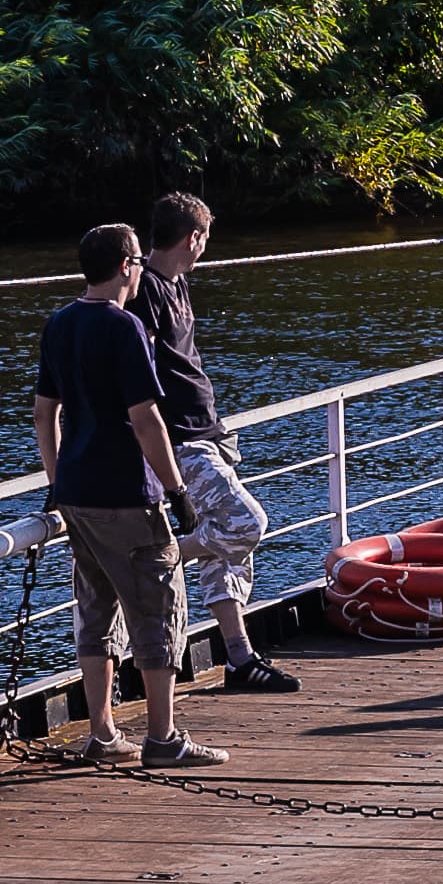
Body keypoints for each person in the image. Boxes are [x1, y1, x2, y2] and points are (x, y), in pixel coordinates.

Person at [33, 222, 229, 769]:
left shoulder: (60, 322)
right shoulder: (125, 328)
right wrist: (178, 491)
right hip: (126, 494)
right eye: (139, 261)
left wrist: (57, 479)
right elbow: (146, 420)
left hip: (77, 496)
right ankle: (163, 739)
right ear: (126, 265)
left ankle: (102, 732)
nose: (142, 269)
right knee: (159, 607)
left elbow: (45, 412)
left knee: (96, 612)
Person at [129, 193, 300, 694]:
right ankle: (154, 557)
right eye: (206, 239)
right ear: (195, 238)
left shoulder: (175, 284)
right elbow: (138, 378)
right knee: (245, 522)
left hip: (207, 431)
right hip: (181, 438)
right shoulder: (147, 292)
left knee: (227, 553)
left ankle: (239, 658)